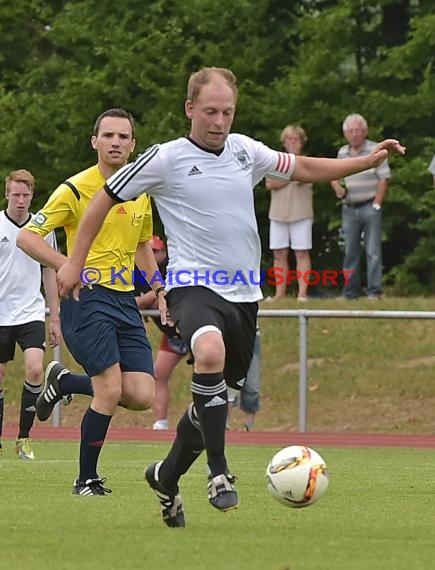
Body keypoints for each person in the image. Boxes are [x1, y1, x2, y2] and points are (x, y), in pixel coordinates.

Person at [55, 67, 405, 526]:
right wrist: (74, 262)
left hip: (243, 294)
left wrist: (365, 161)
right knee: (208, 349)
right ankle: (219, 473)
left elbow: (305, 168)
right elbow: (103, 199)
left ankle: (166, 474)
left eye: (227, 111)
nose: (219, 120)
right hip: (192, 286)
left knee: (214, 403)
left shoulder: (245, 151)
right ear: (190, 110)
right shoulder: (164, 158)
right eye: (210, 111)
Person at [17, 108, 167, 495]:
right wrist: (69, 265)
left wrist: (161, 290)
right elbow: (28, 237)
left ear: (133, 144)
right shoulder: (75, 188)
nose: (116, 142)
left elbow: (142, 246)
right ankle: (86, 479)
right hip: (87, 299)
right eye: (109, 136)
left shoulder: (140, 189)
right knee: (110, 389)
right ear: (95, 141)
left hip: (125, 301)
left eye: (123, 137)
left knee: (141, 395)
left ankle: (64, 380)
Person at [0, 169, 61, 460]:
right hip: (0, 314)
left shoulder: (42, 228)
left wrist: (55, 316)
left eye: (26, 194)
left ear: (32, 195)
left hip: (30, 311)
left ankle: (24, 437)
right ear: (7, 194)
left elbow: (50, 271)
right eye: (16, 194)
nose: (21, 199)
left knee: (36, 369)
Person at [330, 114, 391, 300]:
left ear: (364, 132)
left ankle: (374, 292)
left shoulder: (375, 149)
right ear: (345, 134)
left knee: (372, 251)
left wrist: (377, 205)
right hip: (349, 207)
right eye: (351, 131)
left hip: (369, 205)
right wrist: (337, 187)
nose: (355, 134)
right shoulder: (342, 153)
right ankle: (350, 292)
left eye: (358, 130)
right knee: (350, 251)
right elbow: (332, 174)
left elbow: (384, 178)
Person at [135, 235, 191, 430]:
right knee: (159, 374)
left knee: (208, 374)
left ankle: (215, 421)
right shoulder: (138, 271)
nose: (153, 255)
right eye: (149, 251)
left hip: (191, 329)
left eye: (157, 251)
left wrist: (145, 301)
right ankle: (161, 422)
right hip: (172, 335)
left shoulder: (171, 265)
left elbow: (162, 289)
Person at [265, 126, 313, 302]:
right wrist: (291, 176)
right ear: (284, 142)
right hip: (278, 214)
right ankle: (280, 293)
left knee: (301, 253)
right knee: (279, 254)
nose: (293, 142)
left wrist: (285, 177)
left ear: (302, 142)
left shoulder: (308, 161)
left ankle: (302, 294)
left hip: (301, 213)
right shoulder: (275, 161)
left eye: (296, 139)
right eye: (289, 139)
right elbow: (270, 183)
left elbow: (304, 178)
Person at [226, 328, 261, 431]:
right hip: (228, 334)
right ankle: (223, 425)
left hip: (251, 334)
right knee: (228, 383)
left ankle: (249, 428)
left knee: (252, 384)